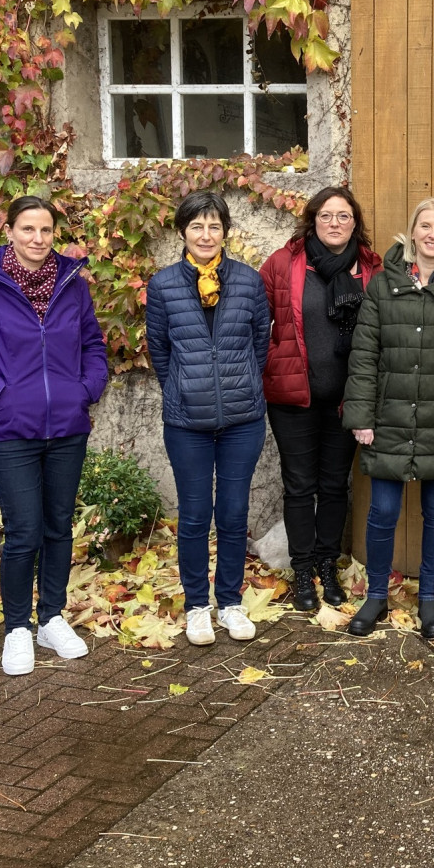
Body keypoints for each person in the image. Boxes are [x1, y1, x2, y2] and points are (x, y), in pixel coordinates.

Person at [0, 196, 109, 676]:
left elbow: (93, 344)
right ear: (8, 231)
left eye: (46, 230)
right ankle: (16, 628)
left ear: (55, 234)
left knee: (58, 527)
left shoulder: (72, 285)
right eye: (27, 228)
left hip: (67, 428)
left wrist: (86, 389)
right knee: (24, 531)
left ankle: (50, 617)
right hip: (8, 430)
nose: (37, 239)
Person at [342, 197, 434, 639]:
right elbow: (365, 356)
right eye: (425, 226)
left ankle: (429, 600)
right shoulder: (383, 286)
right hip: (387, 418)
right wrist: (361, 416)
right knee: (383, 511)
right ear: (412, 232)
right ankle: (375, 596)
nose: (432, 234)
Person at [146, 191, 270, 647]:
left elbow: (260, 344)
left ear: (225, 233)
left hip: (243, 420)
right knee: (196, 516)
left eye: (214, 226)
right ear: (183, 232)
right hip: (186, 423)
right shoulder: (163, 286)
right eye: (196, 226)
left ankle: (231, 602)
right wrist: (184, 387)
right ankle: (198, 606)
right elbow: (159, 349)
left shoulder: (249, 282)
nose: (205, 234)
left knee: (234, 515)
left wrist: (238, 385)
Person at [261, 186, 381, 612]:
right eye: (327, 216)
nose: (335, 223)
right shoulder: (283, 263)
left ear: (355, 223)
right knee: (299, 487)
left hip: (347, 401)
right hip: (293, 398)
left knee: (334, 486)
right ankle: (302, 569)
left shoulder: (370, 270)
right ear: (312, 220)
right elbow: (262, 325)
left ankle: (327, 565)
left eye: (344, 216)